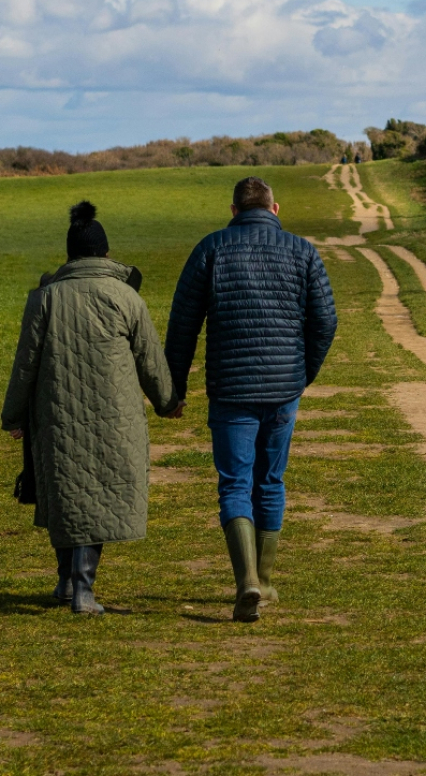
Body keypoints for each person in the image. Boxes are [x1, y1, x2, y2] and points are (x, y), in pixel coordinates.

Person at [165, 176, 337, 623]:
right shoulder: (303, 251)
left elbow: (183, 326)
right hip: (284, 390)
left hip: (231, 392)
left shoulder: (212, 248)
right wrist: (302, 375)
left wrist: (174, 388)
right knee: (271, 481)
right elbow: (325, 323)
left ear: (234, 209)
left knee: (235, 484)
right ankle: (266, 578)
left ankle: (247, 584)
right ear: (274, 209)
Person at [1, 202, 181, 615]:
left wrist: (13, 416)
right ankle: (83, 590)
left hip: (56, 417)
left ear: (69, 255)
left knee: (66, 494)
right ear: (105, 253)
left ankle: (68, 582)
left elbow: (24, 362)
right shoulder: (125, 297)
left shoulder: (44, 297)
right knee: (96, 497)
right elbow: (150, 359)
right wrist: (168, 402)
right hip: (115, 420)